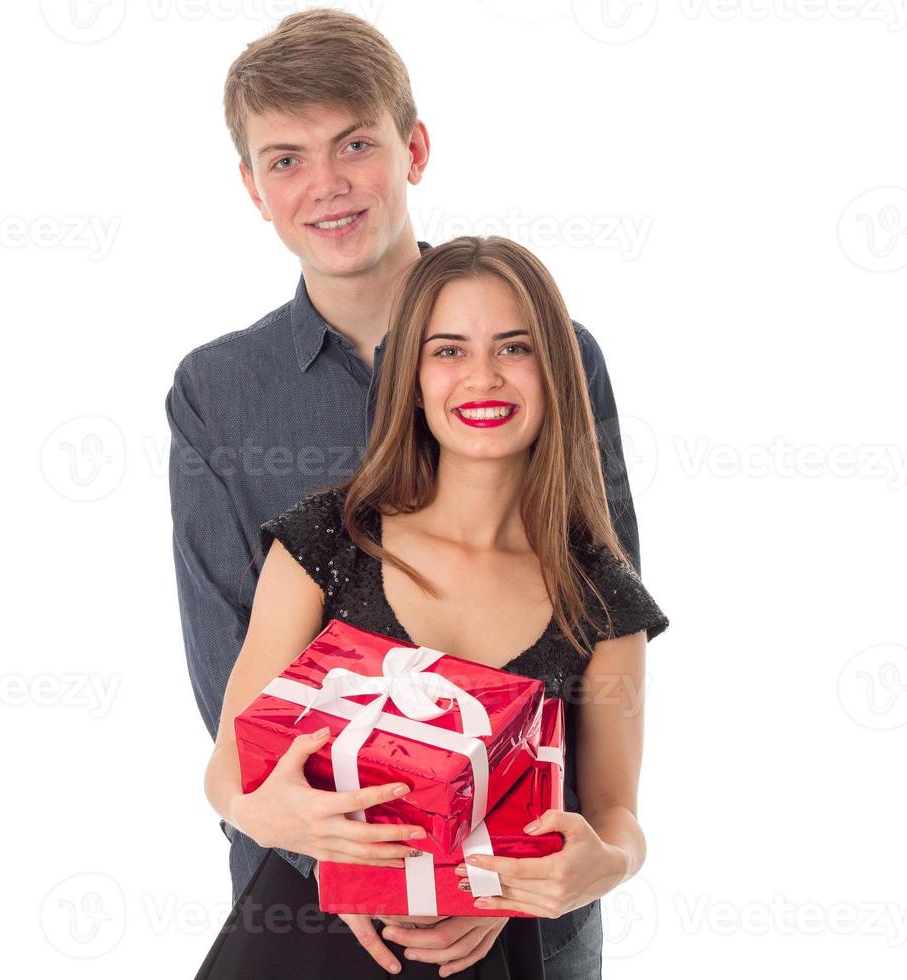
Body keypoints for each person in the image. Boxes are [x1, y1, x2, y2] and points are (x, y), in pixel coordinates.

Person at [167, 9, 645, 975]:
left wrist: (497, 875)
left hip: (521, 913)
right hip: (307, 890)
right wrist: (352, 863)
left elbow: (596, 616)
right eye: (287, 159)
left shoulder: (555, 354)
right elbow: (234, 686)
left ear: (414, 148)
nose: (328, 185)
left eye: (355, 145)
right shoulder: (219, 392)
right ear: (253, 189)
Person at [196, 236, 668, 977]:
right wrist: (313, 844)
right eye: (448, 351)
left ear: (557, 372)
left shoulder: (603, 599)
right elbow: (228, 771)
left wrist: (603, 866)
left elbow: (617, 816)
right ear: (411, 379)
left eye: (514, 348)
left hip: (478, 954)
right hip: (296, 940)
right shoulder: (326, 541)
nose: (482, 376)